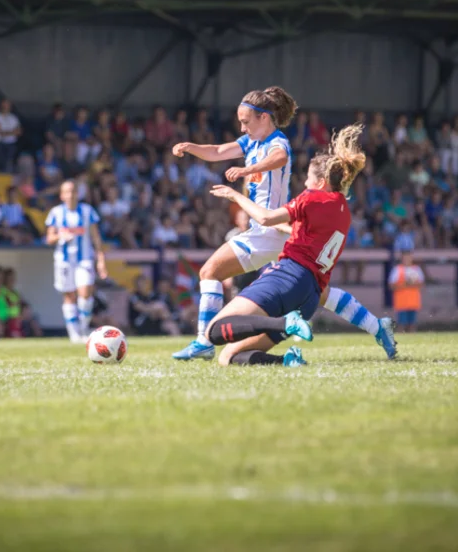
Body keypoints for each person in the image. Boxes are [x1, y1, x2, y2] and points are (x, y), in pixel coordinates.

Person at [170, 86, 395, 361]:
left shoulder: (278, 142)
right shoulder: (250, 142)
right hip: (272, 231)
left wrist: (246, 170)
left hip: (267, 228)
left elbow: (280, 158)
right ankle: (376, 326)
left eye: (245, 121)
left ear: (264, 117)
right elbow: (217, 151)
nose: (242, 128)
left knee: (210, 271)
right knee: (319, 292)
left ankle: (204, 340)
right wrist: (190, 147)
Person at [201, 123, 382, 366]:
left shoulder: (312, 197)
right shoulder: (342, 209)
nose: (305, 184)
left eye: (308, 178)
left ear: (320, 182)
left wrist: (234, 195)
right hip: (310, 296)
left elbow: (265, 218)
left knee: (214, 330)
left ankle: (285, 323)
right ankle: (287, 360)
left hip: (288, 277)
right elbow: (302, 234)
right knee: (228, 357)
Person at [45, 179, 108, 342]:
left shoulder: (87, 211)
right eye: (67, 192)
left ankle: (84, 328)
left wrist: (101, 260)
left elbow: (96, 237)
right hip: (64, 260)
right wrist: (61, 236)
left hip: (84, 259)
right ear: (61, 195)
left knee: (85, 292)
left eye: (73, 191)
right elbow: (49, 238)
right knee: (69, 296)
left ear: (78, 194)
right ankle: (74, 334)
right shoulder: (56, 213)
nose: (71, 195)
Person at [388, 250, 424, 332]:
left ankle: (413, 339)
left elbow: (421, 284)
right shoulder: (397, 269)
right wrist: (405, 284)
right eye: (405, 257)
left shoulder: (416, 269)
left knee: (412, 325)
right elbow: (391, 285)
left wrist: (411, 284)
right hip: (401, 302)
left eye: (408, 257)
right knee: (401, 325)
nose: (407, 259)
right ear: (402, 258)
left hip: (413, 302)